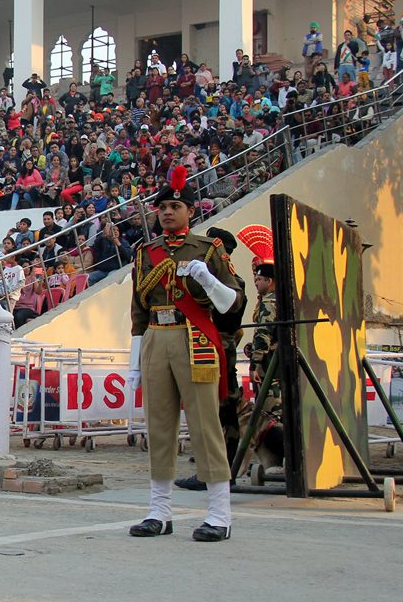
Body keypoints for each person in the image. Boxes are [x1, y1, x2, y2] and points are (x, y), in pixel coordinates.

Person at [127, 166, 243, 542]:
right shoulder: (146, 253)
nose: (167, 212)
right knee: (158, 426)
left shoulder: (208, 250)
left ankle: (220, 515)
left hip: (195, 338)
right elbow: (138, 310)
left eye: (175, 206)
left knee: (205, 426)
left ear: (190, 211)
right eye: (162, 207)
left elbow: (232, 303)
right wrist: (134, 360)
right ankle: (159, 512)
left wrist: (207, 278)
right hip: (156, 337)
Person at [175, 227, 248, 491]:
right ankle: (219, 470)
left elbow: (224, 315)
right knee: (216, 411)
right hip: (215, 346)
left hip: (216, 348)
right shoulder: (226, 280)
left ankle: (216, 472)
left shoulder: (226, 283)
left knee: (216, 410)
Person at [239, 224, 285, 469]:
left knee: (268, 413)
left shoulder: (269, 302)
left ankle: (272, 460)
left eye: (259, 279)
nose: (256, 283)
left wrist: (255, 362)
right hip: (278, 363)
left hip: (270, 366)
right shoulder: (278, 300)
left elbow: (264, 334)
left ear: (270, 280)